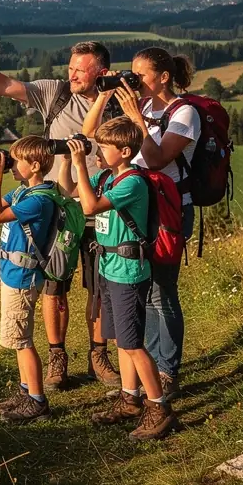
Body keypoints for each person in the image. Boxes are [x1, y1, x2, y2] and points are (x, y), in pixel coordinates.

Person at [0, 41, 120, 389]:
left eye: (80, 69)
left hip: (100, 205)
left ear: (101, 73)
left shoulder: (119, 101)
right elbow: (1, 84)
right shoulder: (56, 93)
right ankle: (57, 358)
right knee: (53, 287)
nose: (71, 74)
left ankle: (98, 355)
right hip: (55, 211)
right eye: (70, 67)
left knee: (100, 288)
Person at [80, 48, 199, 400]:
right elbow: (92, 133)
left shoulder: (185, 113)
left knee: (162, 295)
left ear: (163, 77)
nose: (134, 81)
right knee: (142, 295)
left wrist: (137, 118)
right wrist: (106, 93)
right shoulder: (144, 108)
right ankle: (147, 369)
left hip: (170, 212)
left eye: (140, 75)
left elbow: (159, 159)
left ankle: (167, 371)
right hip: (141, 212)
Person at [63, 119, 177, 440]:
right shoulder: (105, 177)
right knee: (120, 342)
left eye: (104, 148)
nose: (98, 153)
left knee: (132, 343)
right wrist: (65, 162)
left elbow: (89, 205)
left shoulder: (132, 183)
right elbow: (71, 192)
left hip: (128, 273)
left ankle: (159, 406)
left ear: (125, 152)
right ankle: (131, 399)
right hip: (108, 269)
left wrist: (79, 165)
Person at [0, 136, 58, 423]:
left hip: (23, 276)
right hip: (12, 274)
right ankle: (26, 391)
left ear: (35, 165)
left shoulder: (37, 200)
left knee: (22, 341)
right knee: (17, 339)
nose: (11, 165)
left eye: (16, 161)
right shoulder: (23, 193)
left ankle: (37, 401)